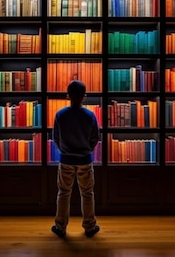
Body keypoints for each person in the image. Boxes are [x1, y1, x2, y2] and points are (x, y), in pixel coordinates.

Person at [51, 79, 101, 238]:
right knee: (87, 193)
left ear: (68, 96)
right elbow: (95, 138)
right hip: (85, 160)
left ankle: (60, 226)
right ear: (84, 97)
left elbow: (56, 138)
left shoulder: (60, 114)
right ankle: (89, 226)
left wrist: (64, 150)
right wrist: (87, 150)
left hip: (66, 159)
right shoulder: (90, 115)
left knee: (63, 193)